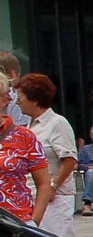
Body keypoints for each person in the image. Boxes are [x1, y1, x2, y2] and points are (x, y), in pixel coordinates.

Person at [15, 74, 92, 237]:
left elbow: (69, 159)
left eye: (21, 97)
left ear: (34, 99)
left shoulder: (56, 123)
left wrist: (52, 187)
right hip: (34, 197)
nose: (17, 102)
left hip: (55, 197)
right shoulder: (30, 126)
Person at [0, 72, 49, 227]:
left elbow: (44, 184)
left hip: (16, 223)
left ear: (3, 100)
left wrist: (34, 222)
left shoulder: (24, 137)